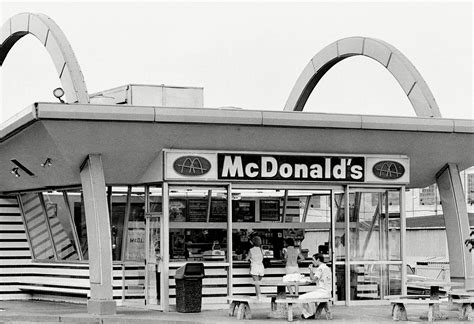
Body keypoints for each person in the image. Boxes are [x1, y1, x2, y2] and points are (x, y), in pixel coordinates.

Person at [299, 253, 332, 319]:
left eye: (313, 260)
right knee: (307, 295)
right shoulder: (327, 268)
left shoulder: (320, 268)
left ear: (318, 259)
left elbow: (313, 279)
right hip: (327, 291)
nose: (312, 261)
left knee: (301, 297)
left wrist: (311, 270)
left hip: (322, 292)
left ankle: (308, 314)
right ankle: (310, 313)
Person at [245, 236, 265, 300]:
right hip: (261, 267)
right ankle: (258, 296)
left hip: (254, 267)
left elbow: (246, 259)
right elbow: (263, 257)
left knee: (256, 283)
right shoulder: (261, 250)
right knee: (257, 283)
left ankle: (259, 297)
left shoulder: (251, 250)